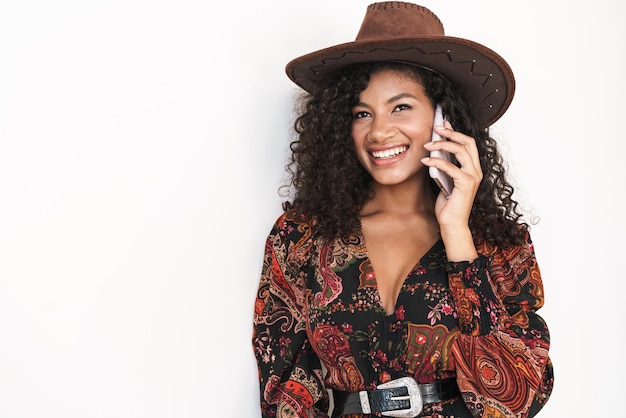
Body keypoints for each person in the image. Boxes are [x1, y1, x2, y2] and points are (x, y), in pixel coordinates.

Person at [252, 2, 553, 417]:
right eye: (362, 113)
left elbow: (517, 399)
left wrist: (457, 234)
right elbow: (284, 387)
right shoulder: (301, 237)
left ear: (444, 118)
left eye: (401, 106)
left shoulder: (499, 244)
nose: (378, 131)